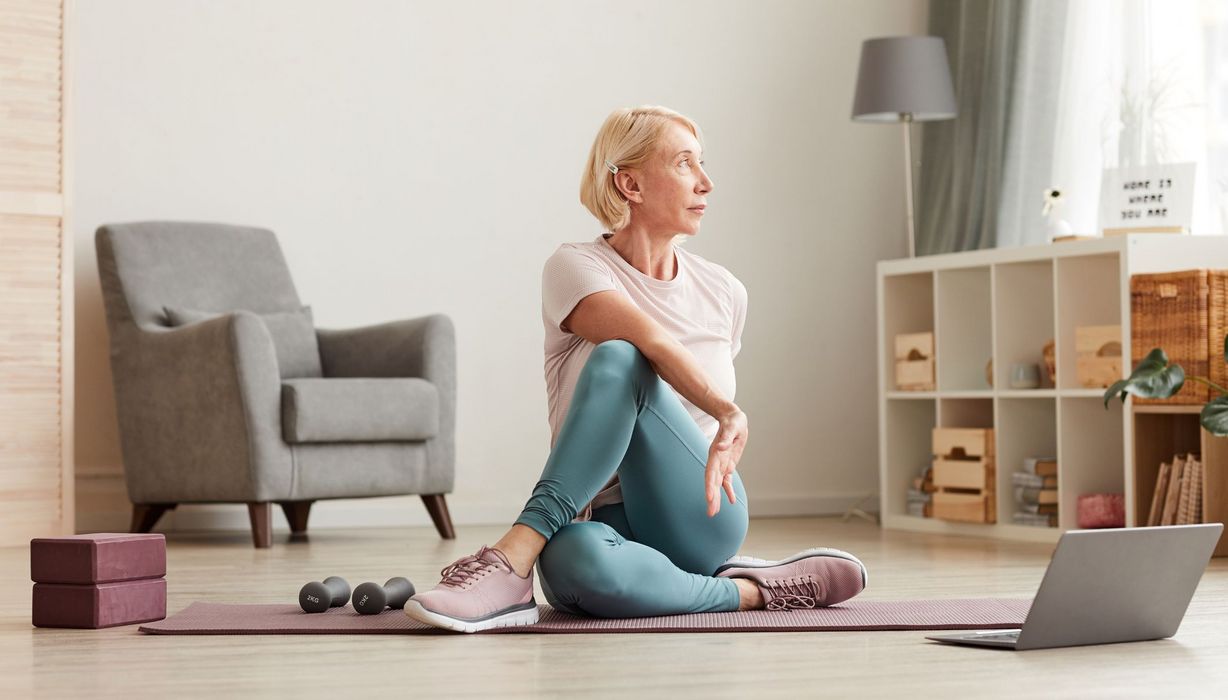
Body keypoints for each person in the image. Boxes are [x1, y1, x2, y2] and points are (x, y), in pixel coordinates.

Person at [404, 105, 867, 633]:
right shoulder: (574, 267)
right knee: (572, 563)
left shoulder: (724, 291)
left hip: (699, 511)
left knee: (625, 359)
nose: (707, 183)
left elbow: (675, 412)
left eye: (703, 164)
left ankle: (510, 561)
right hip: (602, 521)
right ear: (630, 184)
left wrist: (722, 416)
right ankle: (751, 591)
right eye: (685, 164)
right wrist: (728, 410)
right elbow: (648, 338)